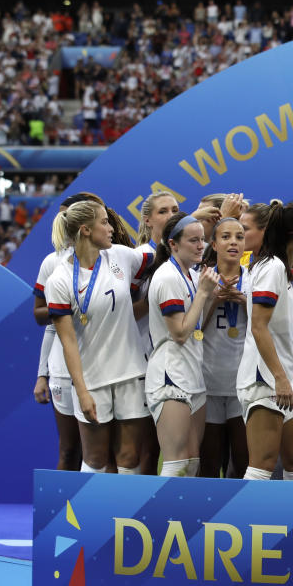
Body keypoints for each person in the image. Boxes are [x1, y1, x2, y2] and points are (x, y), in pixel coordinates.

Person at [46, 201, 152, 474]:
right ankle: (91, 518)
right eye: (104, 222)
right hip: (92, 381)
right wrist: (81, 391)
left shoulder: (121, 256)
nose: (111, 229)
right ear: (85, 230)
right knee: (95, 460)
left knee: (129, 458)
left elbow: (164, 250)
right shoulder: (58, 280)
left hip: (131, 374)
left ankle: (125, 516)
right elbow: (67, 341)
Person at [236, 203, 293, 481]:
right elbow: (258, 327)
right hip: (266, 378)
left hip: (287, 378)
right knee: (262, 466)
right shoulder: (271, 267)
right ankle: (244, 523)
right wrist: (280, 377)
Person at [144, 212, 220, 477]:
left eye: (202, 240)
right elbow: (179, 333)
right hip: (170, 376)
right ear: (173, 244)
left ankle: (183, 519)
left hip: (192, 373)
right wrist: (203, 293)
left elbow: (196, 322)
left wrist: (210, 297)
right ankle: (163, 519)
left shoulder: (190, 274)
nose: (201, 246)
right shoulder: (167, 277)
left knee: (191, 462)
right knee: (176, 463)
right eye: (193, 240)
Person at [198, 217, 249, 478]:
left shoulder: (253, 278)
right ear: (214, 244)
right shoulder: (201, 279)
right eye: (226, 236)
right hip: (207, 382)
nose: (233, 242)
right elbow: (192, 329)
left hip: (242, 383)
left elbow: (268, 329)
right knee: (208, 462)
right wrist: (212, 301)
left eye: (239, 237)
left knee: (242, 461)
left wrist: (244, 302)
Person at [133, 190, 180, 475]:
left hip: (175, 365)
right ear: (148, 220)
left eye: (175, 209)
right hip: (142, 363)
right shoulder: (141, 257)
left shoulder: (186, 256)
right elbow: (121, 312)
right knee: (146, 450)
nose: (171, 215)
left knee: (177, 451)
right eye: (163, 211)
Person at [239, 202, 270, 266]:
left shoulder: (274, 265)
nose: (238, 235)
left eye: (245, 229)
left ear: (266, 231)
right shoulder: (241, 261)